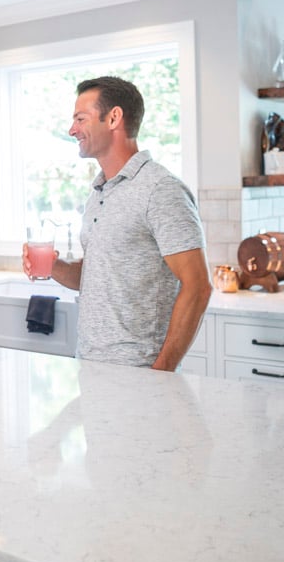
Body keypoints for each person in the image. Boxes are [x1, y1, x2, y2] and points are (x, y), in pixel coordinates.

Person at [23, 76, 211, 371]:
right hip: (89, 364)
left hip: (139, 371)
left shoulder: (160, 189)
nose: (72, 130)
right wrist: (55, 267)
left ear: (113, 118)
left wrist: (161, 371)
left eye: (81, 119)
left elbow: (199, 285)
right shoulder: (99, 190)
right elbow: (98, 272)